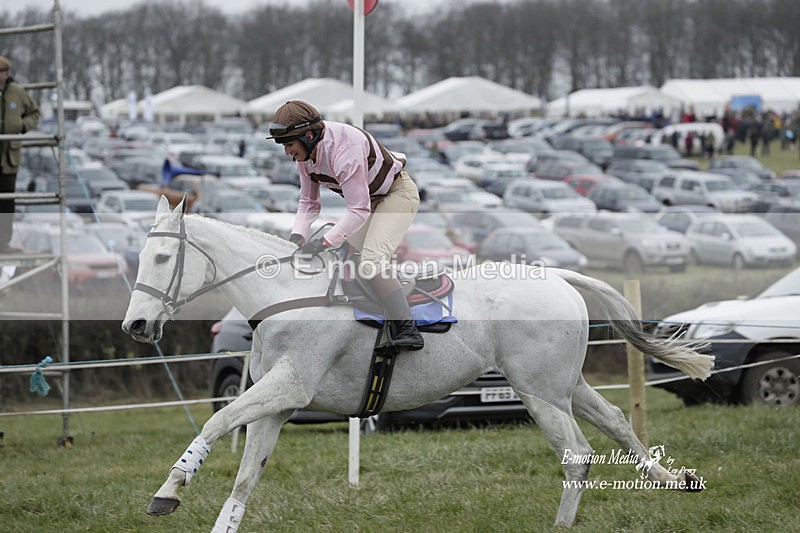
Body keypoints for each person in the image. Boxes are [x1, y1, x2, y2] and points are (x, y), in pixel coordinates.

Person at [266, 100, 424, 353]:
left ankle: (407, 328)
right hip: (371, 201)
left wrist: (322, 242)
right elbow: (308, 202)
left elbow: (358, 209)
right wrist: (297, 237)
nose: (287, 152)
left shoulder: (344, 151)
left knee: (371, 260)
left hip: (397, 194)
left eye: (289, 145)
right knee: (344, 258)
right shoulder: (305, 155)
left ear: (308, 136)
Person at [0, 55, 40, 253]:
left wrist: (23, 126)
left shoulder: (17, 92)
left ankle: (3, 242)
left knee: (7, 200)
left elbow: (34, 113)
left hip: (9, 157)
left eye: (5, 72)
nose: (4, 75)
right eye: (1, 72)